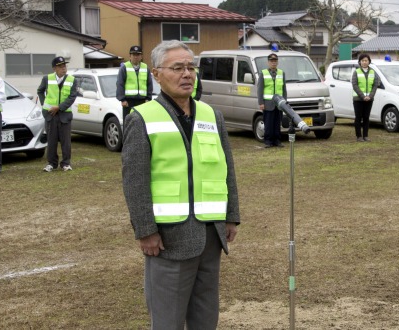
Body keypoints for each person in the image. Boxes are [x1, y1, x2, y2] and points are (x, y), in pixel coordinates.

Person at [122, 40, 240, 329]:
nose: (187, 74)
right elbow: (135, 179)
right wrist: (145, 230)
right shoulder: (142, 118)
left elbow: (226, 169)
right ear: (157, 74)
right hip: (168, 238)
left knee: (205, 316)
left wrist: (231, 215)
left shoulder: (213, 116)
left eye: (191, 67)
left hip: (211, 234)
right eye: (177, 68)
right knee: (168, 320)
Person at [37, 56, 77, 172]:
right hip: (50, 114)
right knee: (51, 139)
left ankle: (66, 163)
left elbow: (72, 97)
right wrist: (45, 105)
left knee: (66, 141)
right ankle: (51, 163)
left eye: (64, 66)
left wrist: (59, 107)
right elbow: (40, 91)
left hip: (65, 114)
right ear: (54, 68)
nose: (63, 68)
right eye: (60, 66)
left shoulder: (72, 80)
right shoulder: (47, 79)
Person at [116, 45, 153, 123]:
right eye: (134, 55)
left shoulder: (145, 67)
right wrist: (122, 99)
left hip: (142, 101)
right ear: (130, 56)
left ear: (141, 56)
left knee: (142, 123)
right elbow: (120, 84)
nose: (136, 57)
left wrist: (148, 98)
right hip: (128, 102)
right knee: (128, 122)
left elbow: (149, 84)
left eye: (138, 54)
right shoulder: (124, 67)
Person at [257, 52, 287, 148]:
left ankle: (277, 140)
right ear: (268, 62)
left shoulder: (282, 73)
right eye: (271, 61)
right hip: (268, 103)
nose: (273, 63)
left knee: (277, 123)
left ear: (277, 62)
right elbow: (260, 89)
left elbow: (284, 89)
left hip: (279, 103)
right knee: (268, 123)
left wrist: (284, 102)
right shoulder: (263, 73)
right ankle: (268, 141)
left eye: (275, 61)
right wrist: (261, 102)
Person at [351, 53, 379, 142]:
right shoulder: (356, 72)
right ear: (360, 62)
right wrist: (363, 96)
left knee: (366, 117)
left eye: (366, 60)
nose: (364, 62)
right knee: (358, 117)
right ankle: (359, 136)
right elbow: (354, 85)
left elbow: (375, 85)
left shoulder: (373, 72)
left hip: (369, 99)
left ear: (369, 61)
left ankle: (365, 135)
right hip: (358, 99)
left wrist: (370, 96)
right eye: (362, 60)